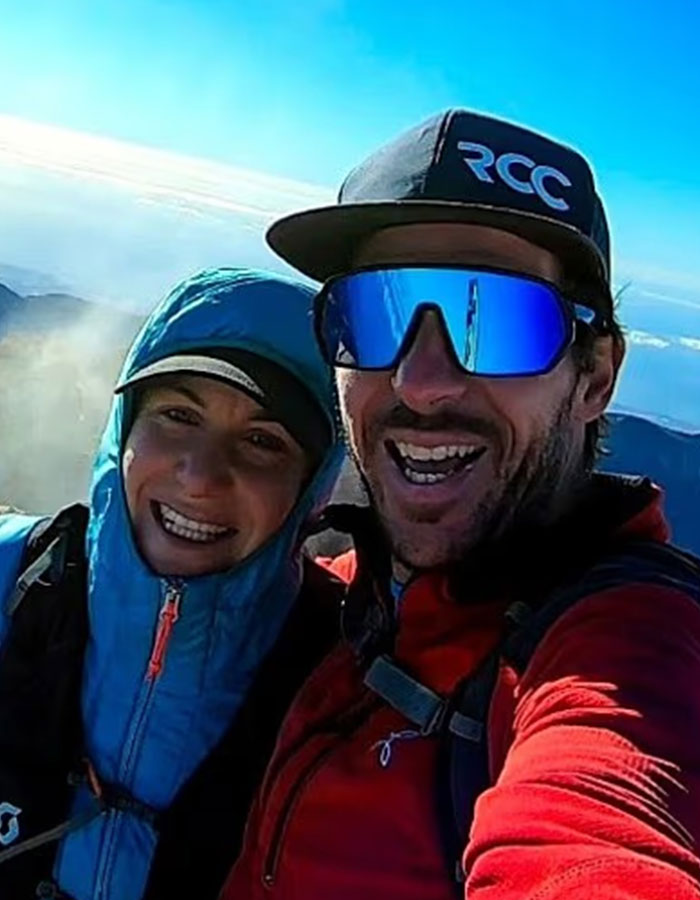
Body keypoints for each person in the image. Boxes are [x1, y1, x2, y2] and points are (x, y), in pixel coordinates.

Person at [222, 111, 700, 899]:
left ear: (595, 378)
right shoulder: (343, 595)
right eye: (373, 314)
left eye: (499, 319)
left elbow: (603, 833)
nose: (420, 380)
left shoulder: (628, 649)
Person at [0, 267, 343, 899]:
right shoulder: (12, 580)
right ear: (122, 431)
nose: (199, 475)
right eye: (179, 414)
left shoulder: (345, 679)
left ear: (311, 492)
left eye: (263, 440)